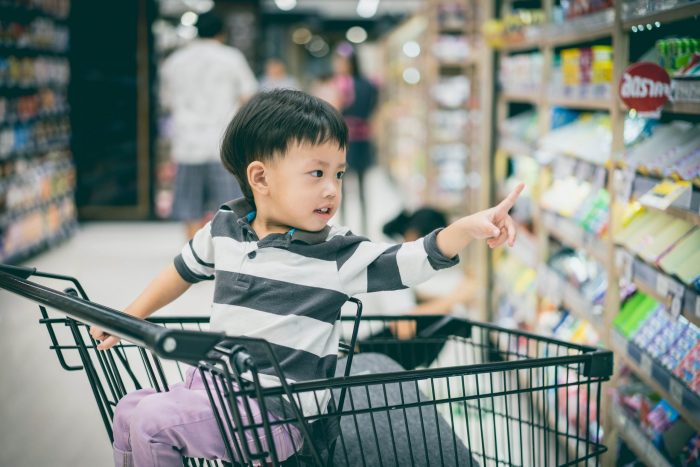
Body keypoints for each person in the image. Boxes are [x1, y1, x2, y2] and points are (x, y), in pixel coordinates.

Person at [90, 89, 524, 466]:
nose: (332, 188)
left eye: (338, 173)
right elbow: (181, 271)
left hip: (276, 416)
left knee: (150, 423)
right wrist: (131, 314)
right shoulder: (224, 228)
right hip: (217, 391)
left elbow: (409, 260)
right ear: (260, 177)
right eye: (317, 173)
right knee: (130, 408)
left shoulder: (337, 252)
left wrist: (464, 229)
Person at [160, 10, 258, 239]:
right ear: (222, 34)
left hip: (187, 144)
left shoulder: (174, 61)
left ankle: (192, 258)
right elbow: (248, 96)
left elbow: (167, 102)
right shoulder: (231, 57)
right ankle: (224, 256)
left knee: (189, 208)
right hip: (222, 144)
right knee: (229, 207)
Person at [332, 44, 378, 234]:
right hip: (364, 138)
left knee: (339, 182)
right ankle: (364, 227)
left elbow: (334, 109)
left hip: (345, 139)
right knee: (361, 185)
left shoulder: (342, 84)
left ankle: (342, 226)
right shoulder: (370, 84)